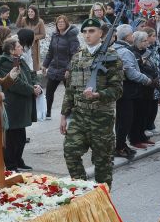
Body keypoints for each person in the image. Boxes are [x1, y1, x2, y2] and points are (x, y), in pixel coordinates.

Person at [60, 17, 123, 187]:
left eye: (92, 31)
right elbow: (70, 89)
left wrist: (99, 95)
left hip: (101, 117)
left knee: (102, 163)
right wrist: (64, 115)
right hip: (79, 115)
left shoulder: (112, 57)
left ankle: (103, 200)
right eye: (85, 32)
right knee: (70, 152)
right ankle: (83, 190)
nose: (87, 35)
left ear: (101, 34)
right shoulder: (77, 57)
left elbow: (117, 90)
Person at [0, 37, 40, 172]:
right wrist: (31, 90)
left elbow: (31, 74)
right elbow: (15, 84)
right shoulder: (4, 63)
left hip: (22, 104)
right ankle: (11, 165)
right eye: (19, 46)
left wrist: (35, 84)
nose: (21, 47)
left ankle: (18, 160)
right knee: (12, 138)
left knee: (20, 137)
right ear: (11, 49)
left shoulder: (20, 60)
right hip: (13, 105)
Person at [112, 24, 154, 160]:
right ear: (127, 36)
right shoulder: (124, 51)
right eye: (131, 34)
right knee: (125, 120)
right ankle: (120, 146)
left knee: (123, 120)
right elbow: (131, 72)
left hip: (122, 90)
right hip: (127, 90)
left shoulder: (119, 48)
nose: (133, 36)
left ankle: (122, 145)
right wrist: (147, 80)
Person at [42, 15, 79, 119]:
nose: (60, 24)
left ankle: (70, 112)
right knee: (49, 91)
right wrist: (45, 64)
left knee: (70, 92)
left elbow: (75, 55)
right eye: (58, 22)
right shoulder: (55, 35)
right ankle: (48, 112)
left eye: (62, 22)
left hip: (66, 68)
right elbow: (50, 52)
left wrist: (69, 68)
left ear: (66, 23)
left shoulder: (72, 36)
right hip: (54, 68)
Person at [130, 29, 160, 148]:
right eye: (144, 41)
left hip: (149, 89)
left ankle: (143, 136)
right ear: (137, 42)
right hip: (139, 89)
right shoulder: (132, 52)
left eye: (147, 40)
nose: (146, 43)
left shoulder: (147, 51)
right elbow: (137, 70)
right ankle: (135, 139)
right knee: (137, 116)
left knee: (145, 114)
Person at [15, 5, 46, 72]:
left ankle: (34, 74)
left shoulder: (40, 21)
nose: (30, 13)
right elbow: (17, 25)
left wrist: (33, 37)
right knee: (24, 60)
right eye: (28, 11)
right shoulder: (24, 19)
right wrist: (20, 15)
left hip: (34, 45)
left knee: (34, 61)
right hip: (24, 45)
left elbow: (43, 35)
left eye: (32, 12)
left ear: (35, 13)